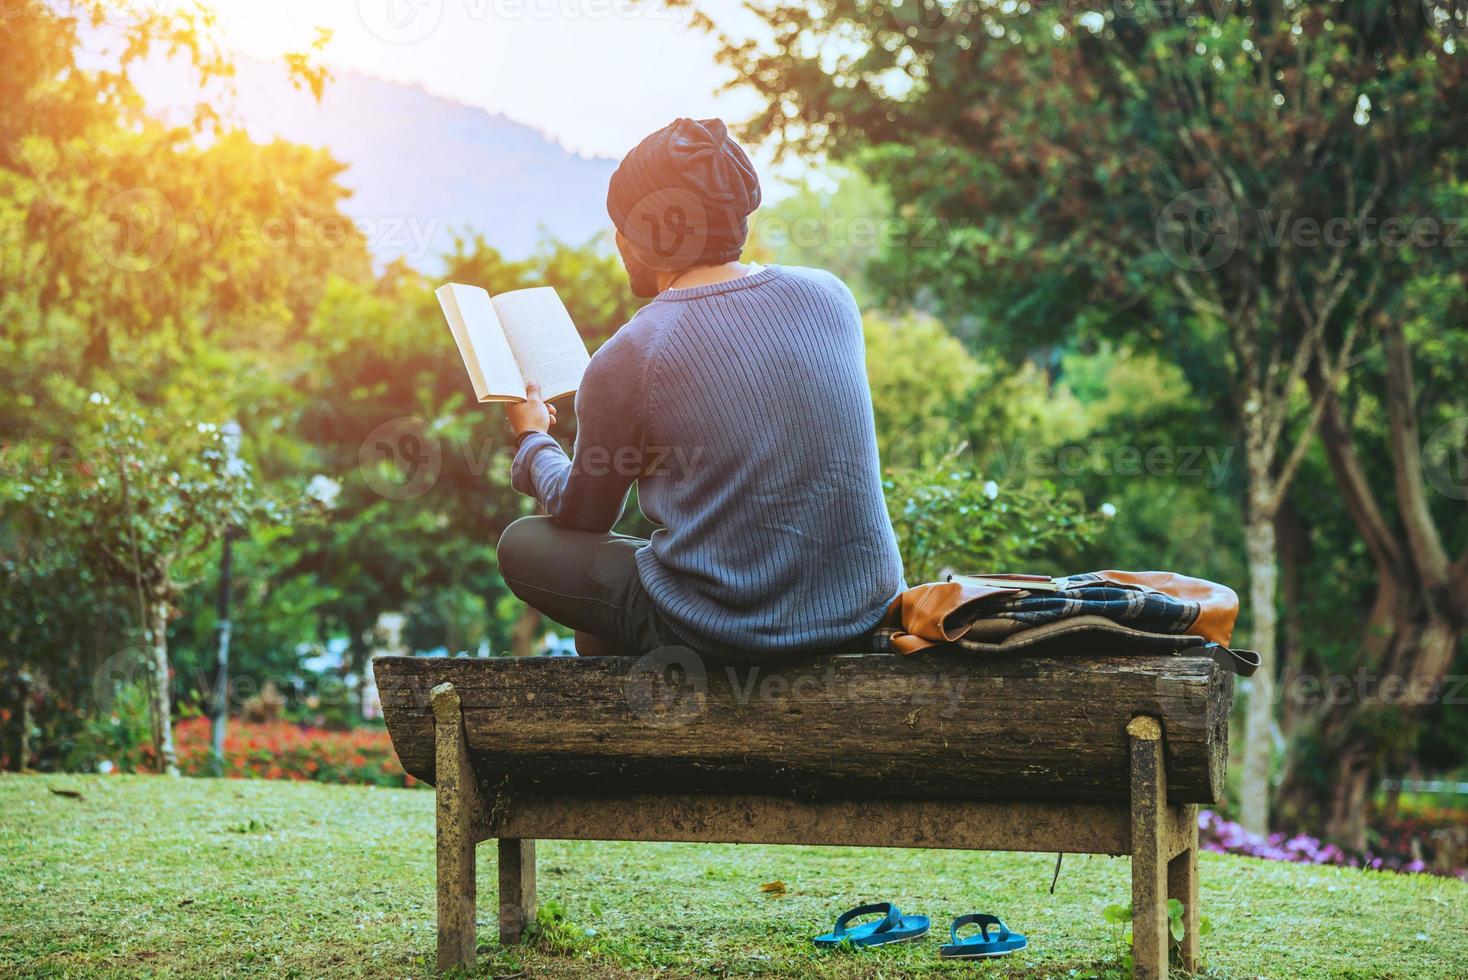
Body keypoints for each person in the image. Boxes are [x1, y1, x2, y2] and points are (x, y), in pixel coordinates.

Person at [497, 117, 903, 659]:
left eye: (622, 226)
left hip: (724, 632)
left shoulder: (636, 350)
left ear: (641, 238)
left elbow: (583, 516)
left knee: (524, 545)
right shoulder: (830, 297)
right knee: (615, 599)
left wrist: (533, 441)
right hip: (859, 612)